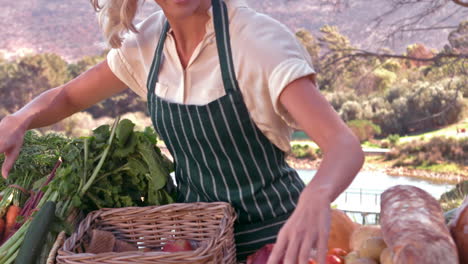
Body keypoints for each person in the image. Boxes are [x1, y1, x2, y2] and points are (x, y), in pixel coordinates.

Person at [0, 0, 364, 263]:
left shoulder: (254, 42)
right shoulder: (148, 43)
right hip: (196, 245)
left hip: (276, 242)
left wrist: (316, 195)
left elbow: (344, 145)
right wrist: (20, 119)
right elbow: (66, 97)